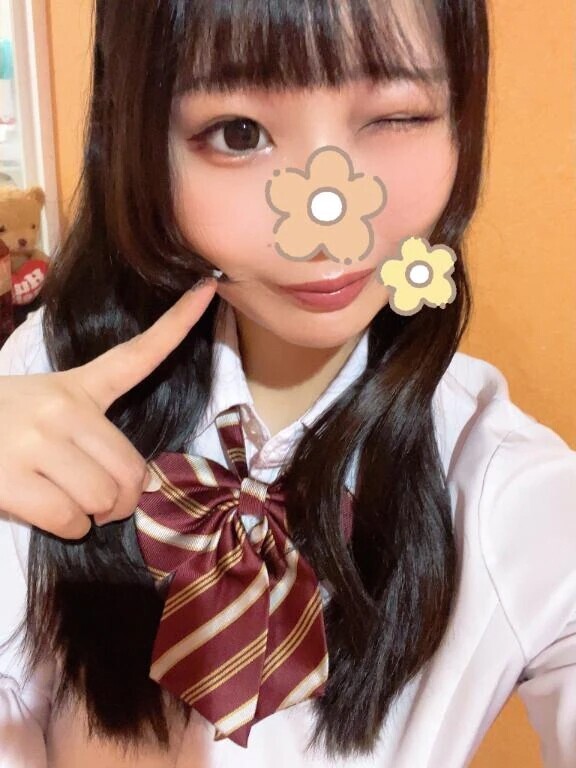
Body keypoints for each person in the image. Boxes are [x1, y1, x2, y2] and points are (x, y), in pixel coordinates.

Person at [0, 1, 574, 766]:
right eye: (239, 133)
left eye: (397, 116)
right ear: (138, 140)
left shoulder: (512, 492)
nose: (327, 219)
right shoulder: (45, 380)